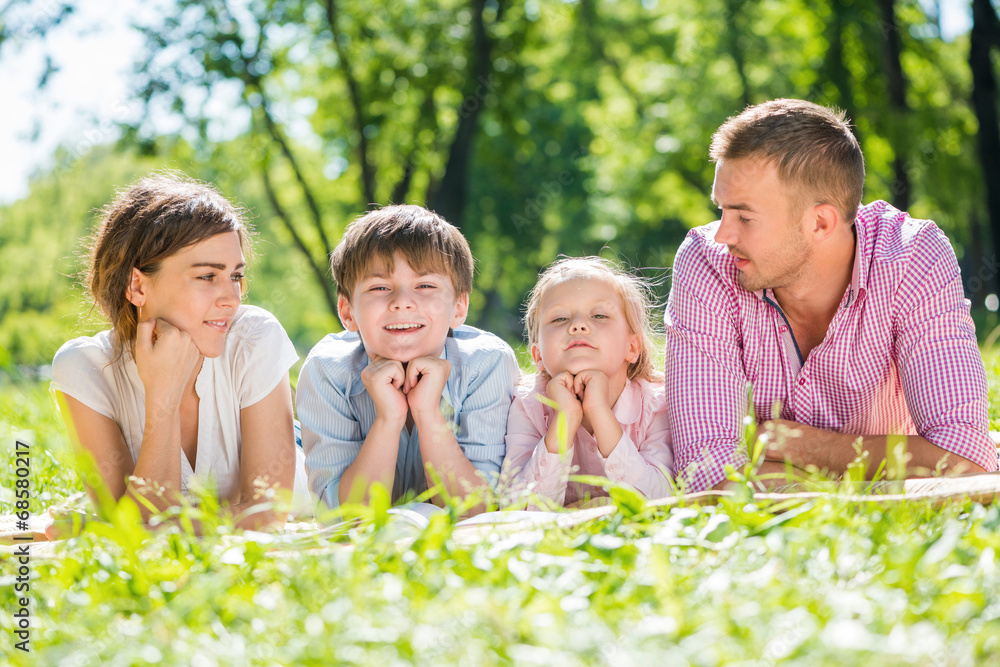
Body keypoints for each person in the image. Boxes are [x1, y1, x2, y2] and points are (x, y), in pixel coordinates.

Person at [664, 98, 999, 493]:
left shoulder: (912, 255)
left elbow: (964, 462)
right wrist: (873, 483)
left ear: (820, 222)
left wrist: (808, 448)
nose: (723, 236)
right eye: (721, 211)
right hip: (892, 495)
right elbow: (707, 470)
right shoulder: (706, 262)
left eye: (744, 217)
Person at [50, 173, 308, 530]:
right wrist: (163, 400)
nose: (232, 298)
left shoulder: (255, 338)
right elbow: (137, 536)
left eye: (235, 276)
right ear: (136, 285)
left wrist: (117, 526)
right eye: (207, 276)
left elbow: (266, 515)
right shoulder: (84, 368)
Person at [297, 204, 519, 510]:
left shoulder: (486, 364)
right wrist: (389, 418)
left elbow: (478, 512)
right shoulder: (328, 370)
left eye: (425, 285)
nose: (402, 302)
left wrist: (428, 413)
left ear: (459, 307)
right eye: (380, 287)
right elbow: (343, 521)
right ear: (348, 312)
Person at [501, 257, 673, 508]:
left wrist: (598, 412)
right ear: (538, 356)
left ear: (632, 347)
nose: (578, 325)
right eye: (559, 319)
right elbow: (516, 510)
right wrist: (565, 419)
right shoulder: (528, 404)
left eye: (599, 315)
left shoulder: (657, 405)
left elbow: (661, 503)